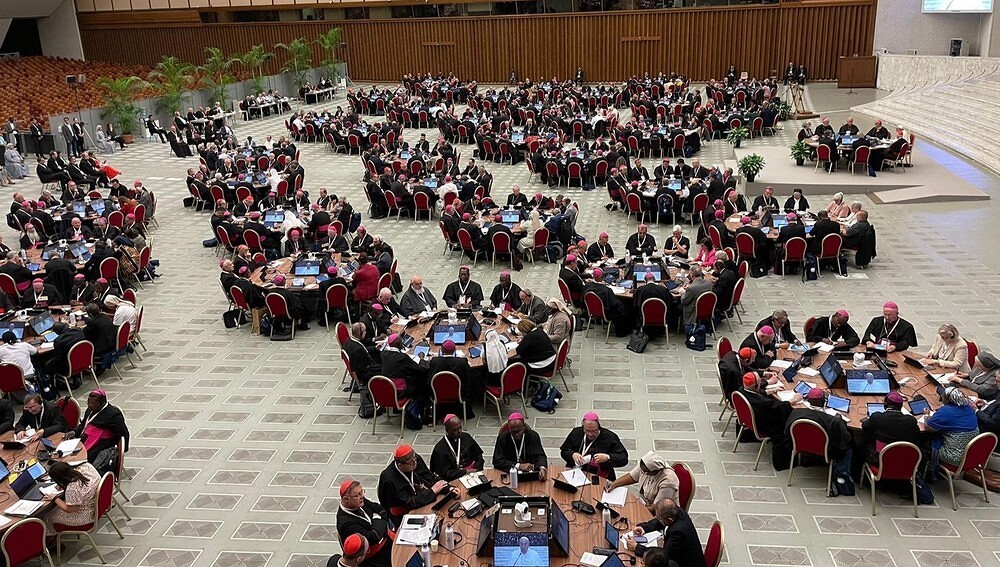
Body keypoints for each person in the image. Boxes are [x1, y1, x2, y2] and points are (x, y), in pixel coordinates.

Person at [376, 444, 456, 524]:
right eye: (411, 462)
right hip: (403, 513)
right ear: (400, 465)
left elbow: (430, 477)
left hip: (421, 499)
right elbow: (408, 502)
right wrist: (432, 491)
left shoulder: (415, 460)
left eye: (415, 458)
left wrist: (449, 488)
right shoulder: (389, 479)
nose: (415, 463)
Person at [64, 389, 129, 470]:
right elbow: (83, 425)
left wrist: (120, 453)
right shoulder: (90, 410)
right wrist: (74, 432)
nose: (89, 406)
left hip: (102, 444)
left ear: (101, 403)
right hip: (85, 439)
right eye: (88, 402)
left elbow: (123, 434)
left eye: (92, 403)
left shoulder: (113, 414)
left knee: (83, 460)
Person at [627, 499, 704, 566]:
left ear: (669, 520)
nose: (657, 519)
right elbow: (659, 520)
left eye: (659, 518)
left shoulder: (678, 532)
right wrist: (644, 527)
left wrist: (636, 547)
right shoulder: (676, 511)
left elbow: (664, 556)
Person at [337, 480, 393, 567]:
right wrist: (377, 518)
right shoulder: (345, 523)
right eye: (357, 495)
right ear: (346, 499)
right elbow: (373, 538)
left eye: (362, 491)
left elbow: (381, 510)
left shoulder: (358, 501)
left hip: (385, 539)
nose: (363, 496)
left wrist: (378, 526)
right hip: (373, 557)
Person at [559, 411, 629, 479]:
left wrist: (607, 457)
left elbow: (623, 458)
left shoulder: (610, 437)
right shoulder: (576, 433)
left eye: (594, 431)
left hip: (600, 477)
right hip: (575, 473)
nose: (590, 434)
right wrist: (572, 454)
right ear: (583, 426)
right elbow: (564, 451)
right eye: (587, 431)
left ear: (598, 426)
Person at [605, 450, 678, 513]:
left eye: (646, 472)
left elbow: (654, 508)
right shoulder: (645, 466)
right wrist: (614, 484)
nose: (643, 473)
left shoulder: (668, 481)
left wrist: (633, 509)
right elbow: (632, 476)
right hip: (643, 502)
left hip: (659, 513)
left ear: (654, 472)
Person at [41, 461, 102, 536]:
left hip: (85, 516)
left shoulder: (73, 488)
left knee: (47, 516)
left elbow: (69, 509)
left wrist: (55, 498)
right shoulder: (87, 467)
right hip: (94, 507)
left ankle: (51, 541)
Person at [861, 391, 922, 464]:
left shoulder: (877, 417)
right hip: (904, 460)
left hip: (879, 460)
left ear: (885, 404)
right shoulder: (911, 421)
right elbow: (917, 434)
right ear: (901, 406)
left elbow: (865, 427)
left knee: (860, 442)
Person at [927, 387, 979, 467]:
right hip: (972, 454)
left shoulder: (945, 411)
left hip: (954, 457)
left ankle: (929, 472)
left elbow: (929, 427)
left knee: (924, 441)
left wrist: (927, 416)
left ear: (947, 399)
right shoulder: (969, 407)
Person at [429, 415, 484, 481]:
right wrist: (465, 472)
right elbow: (444, 474)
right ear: (447, 430)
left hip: (474, 474)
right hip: (454, 479)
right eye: (455, 430)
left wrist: (476, 470)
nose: (459, 431)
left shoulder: (466, 437)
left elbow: (479, 457)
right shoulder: (440, 449)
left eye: (460, 428)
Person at [492, 412, 548, 477]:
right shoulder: (503, 438)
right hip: (509, 474)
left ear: (524, 427)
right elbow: (497, 461)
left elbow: (540, 456)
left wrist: (542, 468)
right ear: (509, 428)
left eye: (519, 431)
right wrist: (519, 466)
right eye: (513, 431)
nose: (516, 434)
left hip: (530, 474)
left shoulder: (533, 436)